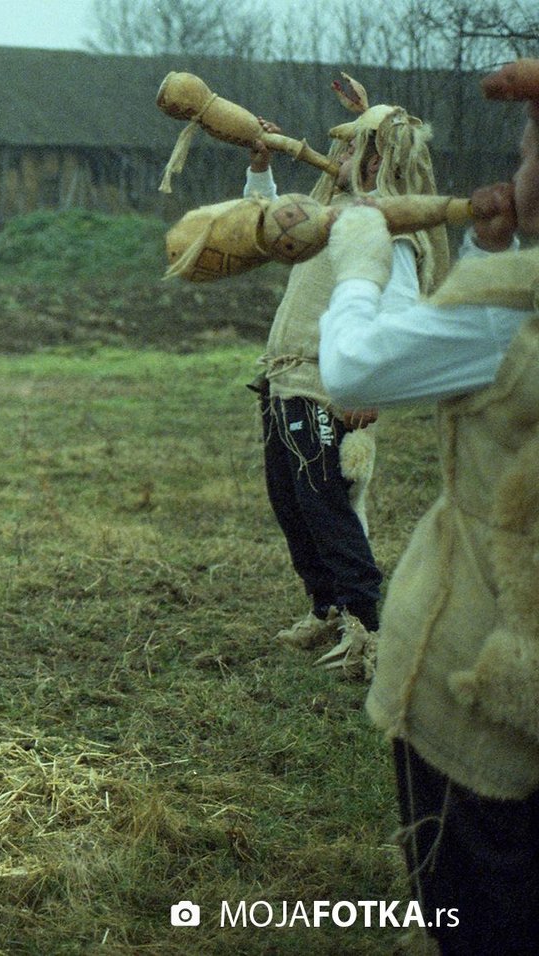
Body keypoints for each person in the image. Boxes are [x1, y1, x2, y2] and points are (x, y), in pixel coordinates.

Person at [316, 58, 539, 954]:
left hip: (484, 685)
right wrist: (486, 253)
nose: (516, 169)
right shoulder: (507, 297)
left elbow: (358, 367)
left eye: (527, 152)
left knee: (481, 909)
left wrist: (367, 261)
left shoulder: (512, 312)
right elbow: (465, 354)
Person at [242, 101, 448, 678]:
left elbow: (399, 310)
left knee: (327, 506)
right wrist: (261, 167)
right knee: (292, 505)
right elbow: (269, 227)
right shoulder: (331, 211)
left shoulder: (387, 226)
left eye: (353, 146)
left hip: (329, 388)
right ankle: (327, 608)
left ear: (379, 158)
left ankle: (369, 629)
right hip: (286, 380)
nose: (339, 154)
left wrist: (368, 386)